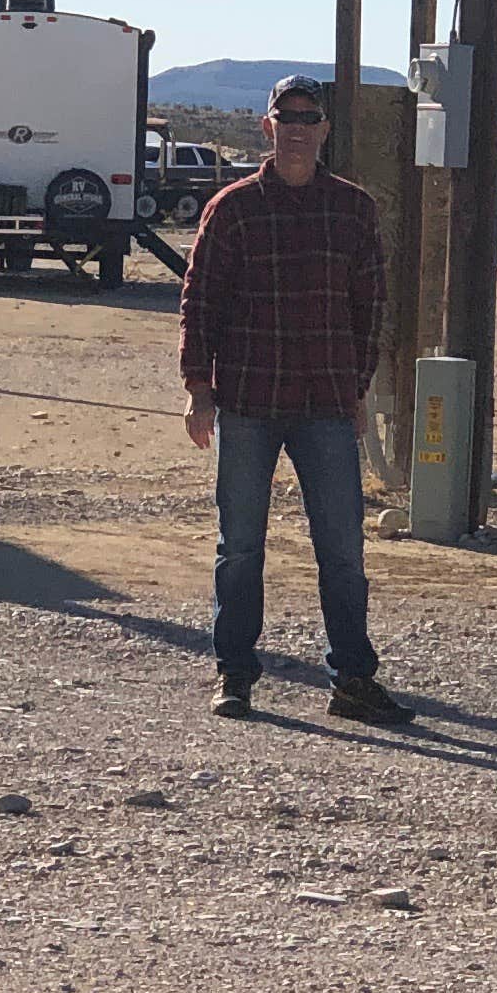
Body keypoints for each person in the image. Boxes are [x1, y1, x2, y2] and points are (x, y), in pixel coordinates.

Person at [177, 77, 412, 725]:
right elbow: (200, 303)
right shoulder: (232, 210)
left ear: (325, 130)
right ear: (268, 126)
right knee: (240, 546)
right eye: (289, 117)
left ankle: (353, 681)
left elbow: (370, 308)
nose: (300, 128)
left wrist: (357, 386)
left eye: (311, 118)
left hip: (326, 405)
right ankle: (235, 675)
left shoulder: (352, 211)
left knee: (342, 549)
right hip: (248, 402)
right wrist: (200, 391)